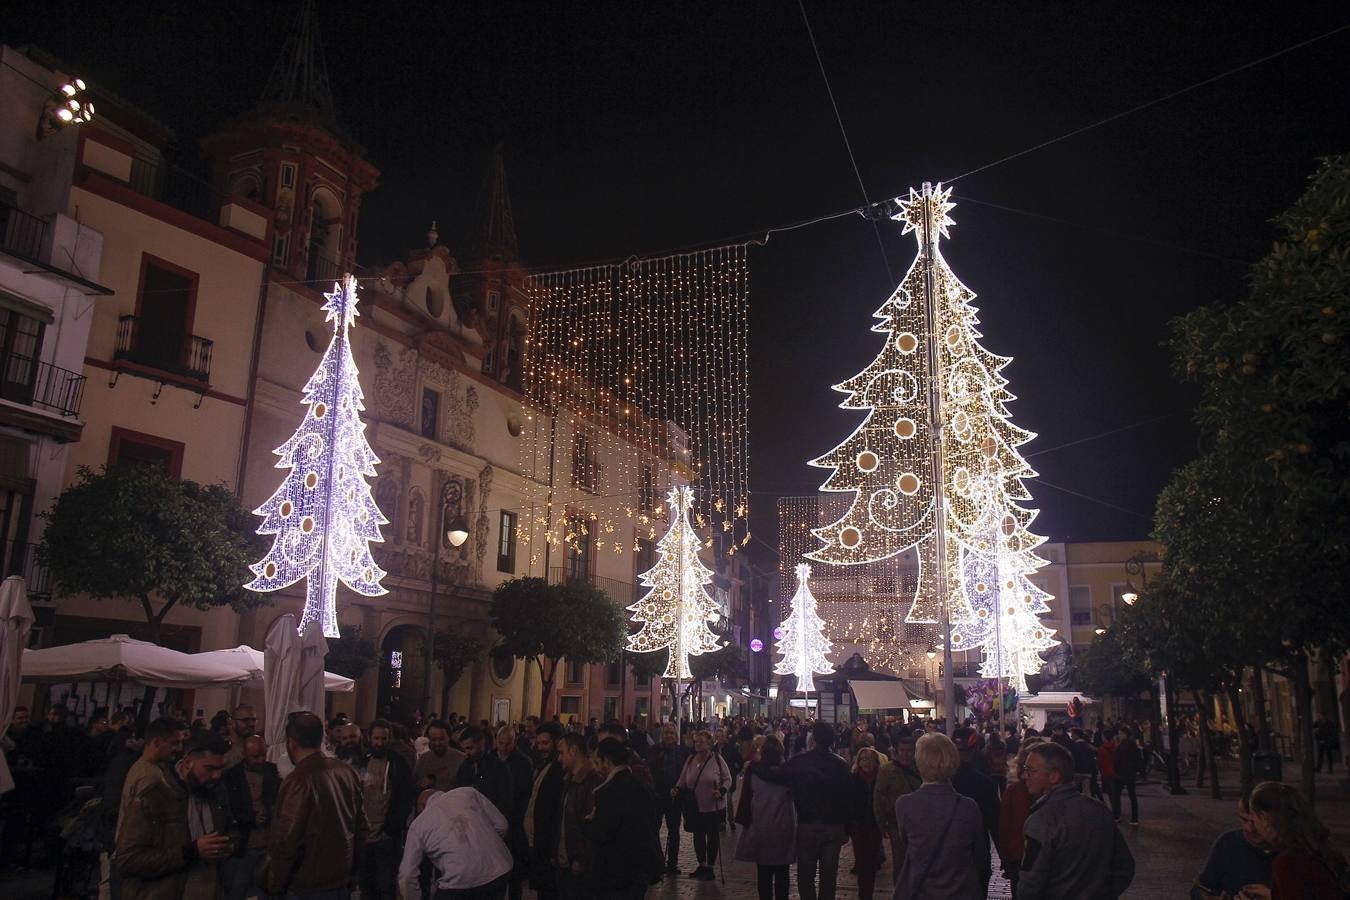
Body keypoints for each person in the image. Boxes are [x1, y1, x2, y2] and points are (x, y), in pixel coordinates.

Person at [114, 730, 236, 900]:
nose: (217, 776)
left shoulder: (217, 791)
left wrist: (228, 844)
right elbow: (127, 860)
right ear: (187, 763)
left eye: (220, 769)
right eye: (210, 769)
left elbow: (228, 827)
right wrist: (191, 852)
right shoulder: (154, 796)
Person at [263, 712, 366, 900]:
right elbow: (360, 828)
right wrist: (353, 874)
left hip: (306, 886)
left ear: (291, 743)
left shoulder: (298, 780)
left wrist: (274, 886)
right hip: (340, 880)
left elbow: (286, 840)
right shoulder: (345, 771)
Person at [1017, 742, 1134, 899]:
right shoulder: (1100, 810)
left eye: (1030, 770)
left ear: (1054, 776)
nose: (1025, 776)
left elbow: (1031, 882)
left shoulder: (1042, 820)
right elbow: (1124, 867)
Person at [758, 720, 853, 900]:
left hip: (808, 824)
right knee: (829, 875)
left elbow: (776, 775)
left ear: (814, 739)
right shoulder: (841, 764)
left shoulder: (800, 762)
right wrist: (847, 828)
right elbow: (848, 798)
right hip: (834, 826)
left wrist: (755, 768)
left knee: (806, 875)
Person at [893, 732, 989, 899]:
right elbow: (980, 856)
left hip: (921, 891)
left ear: (919, 762)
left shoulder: (904, 805)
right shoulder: (969, 807)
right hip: (961, 892)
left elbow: (907, 846)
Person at [398, 787, 514, 900]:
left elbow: (407, 876)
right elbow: (502, 825)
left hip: (460, 883)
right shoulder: (468, 792)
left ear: (422, 806)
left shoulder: (418, 825)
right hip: (500, 870)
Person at [585, 737, 664, 900]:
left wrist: (589, 821)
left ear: (605, 760)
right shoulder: (641, 785)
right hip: (639, 869)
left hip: (619, 872)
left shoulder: (609, 790)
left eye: (596, 761)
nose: (595, 766)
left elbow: (603, 832)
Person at [1240, 781, 1347, 899]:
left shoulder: (1287, 863)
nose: (1252, 826)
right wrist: (1273, 894)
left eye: (1254, 818)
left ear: (1265, 819)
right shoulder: (1315, 847)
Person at [358, 719, 416, 900]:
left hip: (386, 835)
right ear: (369, 738)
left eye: (383, 739)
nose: (380, 743)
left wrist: (391, 828)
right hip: (364, 834)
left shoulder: (398, 763)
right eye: (376, 738)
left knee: (386, 885)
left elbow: (405, 798)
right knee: (365, 885)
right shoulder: (361, 760)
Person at [733, 734, 795, 900]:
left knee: (764, 873)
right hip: (783, 826)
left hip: (760, 825)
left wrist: (743, 822)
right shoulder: (788, 773)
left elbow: (745, 800)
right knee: (782, 872)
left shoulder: (753, 772)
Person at [221, 734, 280, 900]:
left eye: (263, 755)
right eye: (255, 756)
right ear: (244, 755)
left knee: (265, 888)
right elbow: (228, 810)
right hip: (244, 842)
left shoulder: (272, 771)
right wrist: (251, 818)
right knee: (238, 887)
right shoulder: (232, 776)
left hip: (268, 840)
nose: (260, 760)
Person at [1192, 793, 1276, 900]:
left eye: (1256, 822)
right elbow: (1202, 887)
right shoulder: (1228, 842)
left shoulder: (1291, 852)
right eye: (1244, 820)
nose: (1250, 828)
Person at [674, 729, 732, 881]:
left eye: (701, 742)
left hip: (713, 805)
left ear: (709, 744)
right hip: (694, 805)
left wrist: (721, 791)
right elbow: (682, 779)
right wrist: (677, 789)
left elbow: (728, 779)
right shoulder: (690, 759)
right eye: (696, 742)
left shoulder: (717, 759)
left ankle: (710, 867)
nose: (697, 745)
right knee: (698, 835)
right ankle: (702, 864)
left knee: (712, 836)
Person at [553, 734, 600, 898]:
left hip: (578, 865)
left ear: (573, 751)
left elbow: (592, 824)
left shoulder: (591, 781)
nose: (559, 758)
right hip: (565, 861)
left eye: (561, 753)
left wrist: (582, 859)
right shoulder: (569, 779)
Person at [997, 736, 1044, 896]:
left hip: (1018, 855)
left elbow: (1004, 828)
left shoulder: (1013, 792)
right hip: (1044, 858)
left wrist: (1005, 859)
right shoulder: (1053, 794)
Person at [873, 731, 921, 887]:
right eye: (903, 750)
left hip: (919, 823)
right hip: (896, 824)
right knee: (900, 863)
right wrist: (881, 824)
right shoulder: (887, 769)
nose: (906, 754)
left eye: (909, 751)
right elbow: (878, 796)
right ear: (897, 750)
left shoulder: (921, 768)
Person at [526, 722, 565, 899]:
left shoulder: (559, 770)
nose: (540, 747)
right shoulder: (544, 765)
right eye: (538, 743)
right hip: (539, 844)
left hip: (548, 847)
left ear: (558, 743)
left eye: (545, 743)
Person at [493, 726, 533, 900]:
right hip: (492, 823)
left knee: (514, 872)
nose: (503, 748)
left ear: (514, 742)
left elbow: (524, 794)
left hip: (514, 822)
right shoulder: (490, 759)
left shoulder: (523, 762)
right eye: (501, 743)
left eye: (507, 744)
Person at [648, 721, 690, 873]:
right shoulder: (654, 750)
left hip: (675, 797)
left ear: (676, 735)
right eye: (666, 733)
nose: (669, 736)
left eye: (671, 733)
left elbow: (686, 773)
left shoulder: (682, 751)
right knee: (654, 829)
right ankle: (656, 860)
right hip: (657, 796)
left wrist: (679, 789)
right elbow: (649, 770)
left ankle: (672, 863)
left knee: (674, 831)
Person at [950, 726, 1000, 847]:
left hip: (949, 849)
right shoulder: (983, 781)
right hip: (977, 846)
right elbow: (995, 822)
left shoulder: (942, 779)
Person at [454, 725, 516, 817]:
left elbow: (505, 800)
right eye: (464, 749)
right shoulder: (465, 766)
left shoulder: (499, 767)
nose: (466, 753)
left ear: (481, 743)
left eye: (470, 748)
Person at [847, 747, 884, 900]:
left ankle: (867, 892)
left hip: (875, 825)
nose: (867, 762)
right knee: (862, 861)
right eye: (864, 759)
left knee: (871, 861)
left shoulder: (881, 779)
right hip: (859, 825)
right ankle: (864, 894)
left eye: (870, 759)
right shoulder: (853, 779)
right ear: (859, 762)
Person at [415, 719, 466, 790]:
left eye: (441, 739)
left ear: (449, 737)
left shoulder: (461, 759)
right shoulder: (424, 759)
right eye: (433, 739)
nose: (437, 743)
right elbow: (415, 783)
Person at [1112, 727, 1142, 824]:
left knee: (1117, 795)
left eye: (1120, 733)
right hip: (1130, 773)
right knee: (1132, 795)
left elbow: (1116, 759)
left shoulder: (1122, 746)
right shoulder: (1132, 745)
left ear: (1125, 734)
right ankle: (1134, 818)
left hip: (1121, 773)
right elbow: (1137, 759)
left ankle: (1117, 815)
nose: (1119, 735)